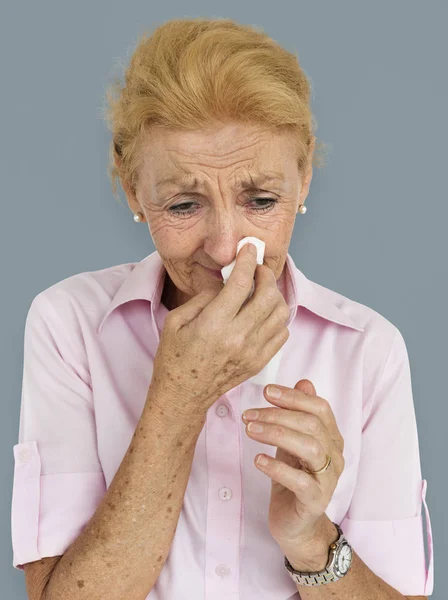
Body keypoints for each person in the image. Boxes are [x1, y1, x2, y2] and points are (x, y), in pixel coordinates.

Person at [11, 17, 433, 600]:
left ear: (304, 176)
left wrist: (312, 540)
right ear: (134, 188)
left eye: (261, 200)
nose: (226, 247)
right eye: (185, 204)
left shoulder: (368, 350)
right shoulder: (69, 326)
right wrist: (178, 398)